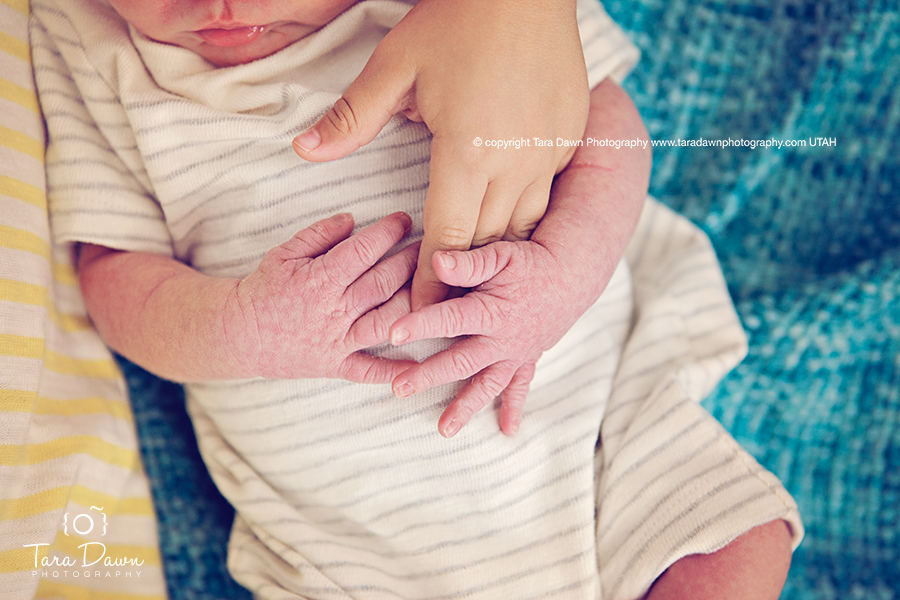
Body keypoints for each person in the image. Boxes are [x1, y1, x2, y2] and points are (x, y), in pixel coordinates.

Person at [29, 0, 802, 598]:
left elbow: (609, 124)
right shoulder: (91, 39)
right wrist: (241, 330)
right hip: (349, 545)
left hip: (591, 427)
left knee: (740, 539)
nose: (220, 4)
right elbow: (110, 269)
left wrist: (565, 278)